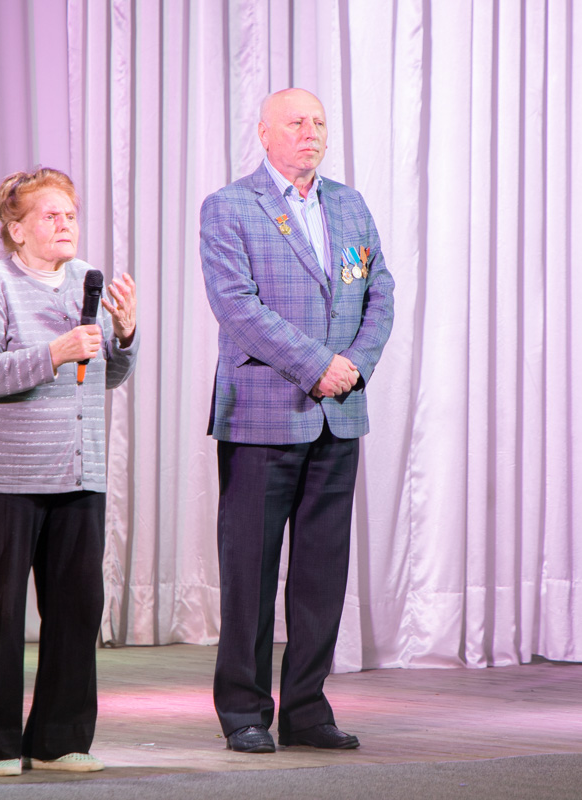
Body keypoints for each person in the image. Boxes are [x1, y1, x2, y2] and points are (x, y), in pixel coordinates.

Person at [199, 88, 395, 754]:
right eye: (295, 122)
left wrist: (354, 365)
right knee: (250, 575)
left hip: (339, 415)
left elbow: (380, 291)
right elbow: (238, 306)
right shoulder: (230, 207)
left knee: (321, 576)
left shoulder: (350, 205)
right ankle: (245, 710)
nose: (310, 132)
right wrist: (317, 365)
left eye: (318, 122)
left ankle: (307, 708)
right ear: (263, 133)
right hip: (262, 417)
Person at [0, 168, 138, 776]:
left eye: (71, 215)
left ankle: (59, 739)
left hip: (77, 473)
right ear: (17, 229)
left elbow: (100, 376)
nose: (65, 225)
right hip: (0, 477)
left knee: (78, 609)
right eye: (51, 216)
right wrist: (53, 352)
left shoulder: (87, 281)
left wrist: (125, 336)